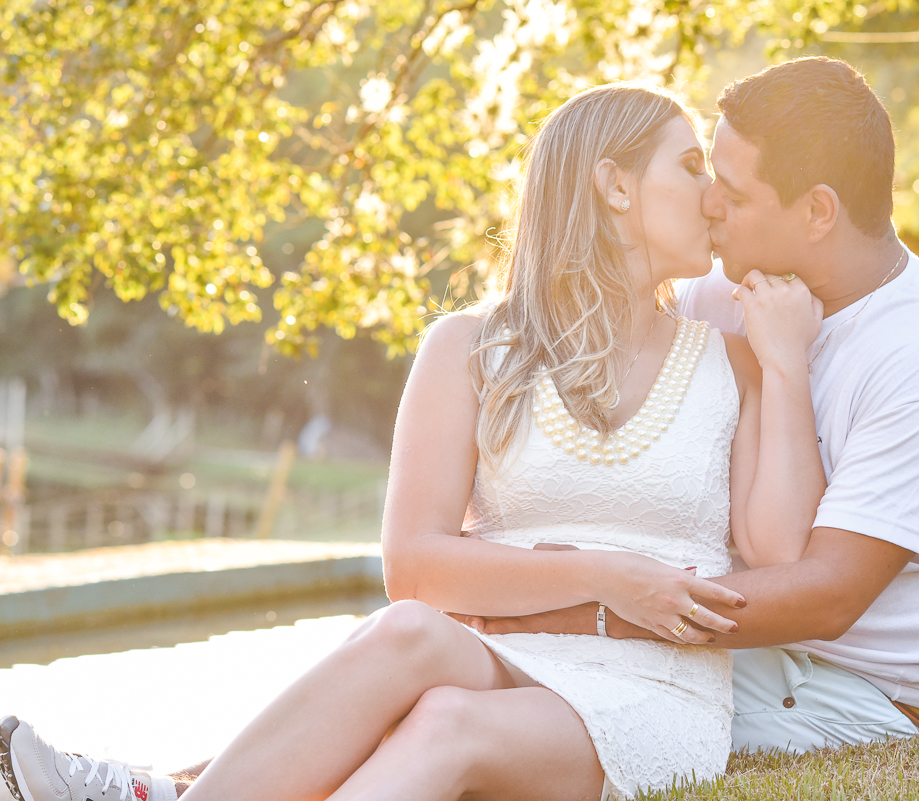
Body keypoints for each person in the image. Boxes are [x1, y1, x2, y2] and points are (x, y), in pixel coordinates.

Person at [1, 83, 827, 801]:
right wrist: (609, 575)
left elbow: (778, 546)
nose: (714, 196)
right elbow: (416, 569)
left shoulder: (737, 360)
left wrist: (788, 367)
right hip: (493, 651)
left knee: (447, 726)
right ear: (613, 184)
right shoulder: (470, 347)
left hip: (657, 691)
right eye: (689, 166)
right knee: (405, 634)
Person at [469, 55, 919, 753]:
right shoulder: (718, 291)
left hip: (843, 683)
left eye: (730, 188)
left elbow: (826, 595)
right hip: (733, 638)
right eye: (703, 174)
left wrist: (581, 612)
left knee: (508, 704)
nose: (709, 203)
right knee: (450, 679)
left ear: (818, 210)